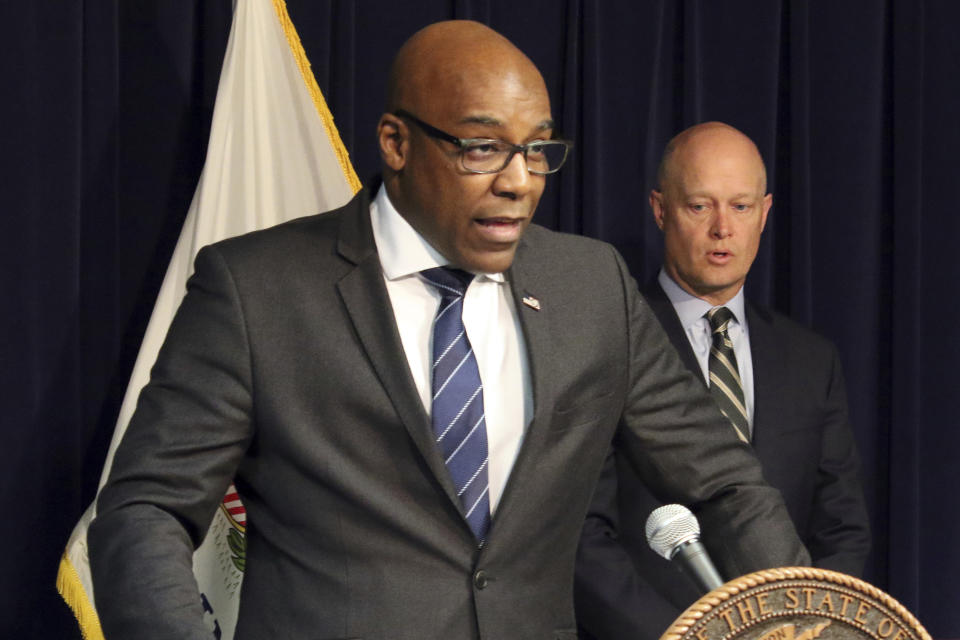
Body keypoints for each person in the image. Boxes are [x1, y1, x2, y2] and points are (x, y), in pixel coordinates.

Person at [88, 24, 809, 640]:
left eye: (538, 151)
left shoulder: (591, 287)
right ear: (396, 143)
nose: (520, 181)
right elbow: (144, 508)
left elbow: (725, 483)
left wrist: (811, 623)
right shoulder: (257, 291)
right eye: (482, 149)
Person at [575, 122, 871, 640]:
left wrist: (814, 630)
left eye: (740, 206)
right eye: (699, 206)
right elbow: (583, 535)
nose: (722, 228)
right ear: (660, 208)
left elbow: (840, 528)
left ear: (765, 213)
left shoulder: (810, 358)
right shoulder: (610, 339)